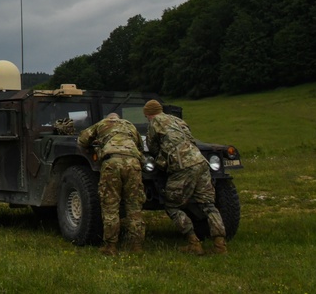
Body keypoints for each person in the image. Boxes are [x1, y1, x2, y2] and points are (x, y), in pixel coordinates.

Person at [143, 99, 228, 255]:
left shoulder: (155, 123)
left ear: (148, 114)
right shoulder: (177, 120)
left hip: (182, 166)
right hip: (200, 162)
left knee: (172, 205)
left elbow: (152, 147)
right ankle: (219, 244)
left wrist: (161, 159)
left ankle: (193, 243)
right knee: (208, 205)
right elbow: (190, 138)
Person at [77, 112, 146, 255]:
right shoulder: (129, 125)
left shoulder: (103, 123)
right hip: (133, 163)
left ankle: (111, 246)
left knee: (110, 205)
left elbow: (82, 141)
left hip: (112, 163)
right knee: (134, 206)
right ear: (119, 119)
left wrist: (95, 145)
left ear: (109, 118)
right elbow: (140, 146)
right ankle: (136, 246)